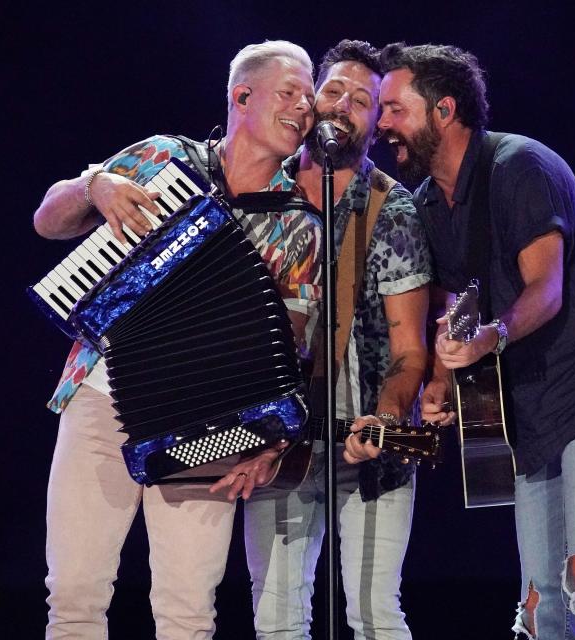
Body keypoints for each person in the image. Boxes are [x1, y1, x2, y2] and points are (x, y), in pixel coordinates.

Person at [32, 40, 321, 639]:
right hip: (101, 396)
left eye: (309, 98)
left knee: (187, 610)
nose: (305, 107)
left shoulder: (297, 223)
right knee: (74, 595)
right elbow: (46, 220)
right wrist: (95, 186)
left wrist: (265, 442)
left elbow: (288, 352)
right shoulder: (166, 158)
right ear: (242, 96)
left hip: (209, 423)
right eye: (289, 92)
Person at [376, 43, 575, 640]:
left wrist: (487, 339)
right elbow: (456, 305)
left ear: (444, 110)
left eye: (395, 109)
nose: (382, 125)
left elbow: (546, 289)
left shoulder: (520, 166)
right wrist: (439, 382)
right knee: (539, 596)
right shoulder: (430, 201)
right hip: (527, 405)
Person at [209, 40, 431, 640]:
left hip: (367, 446)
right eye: (333, 90)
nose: (344, 104)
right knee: (278, 617)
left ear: (374, 121)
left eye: (363, 100)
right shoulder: (261, 187)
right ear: (309, 102)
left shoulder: (391, 209)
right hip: (277, 446)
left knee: (375, 615)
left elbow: (411, 349)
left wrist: (382, 422)